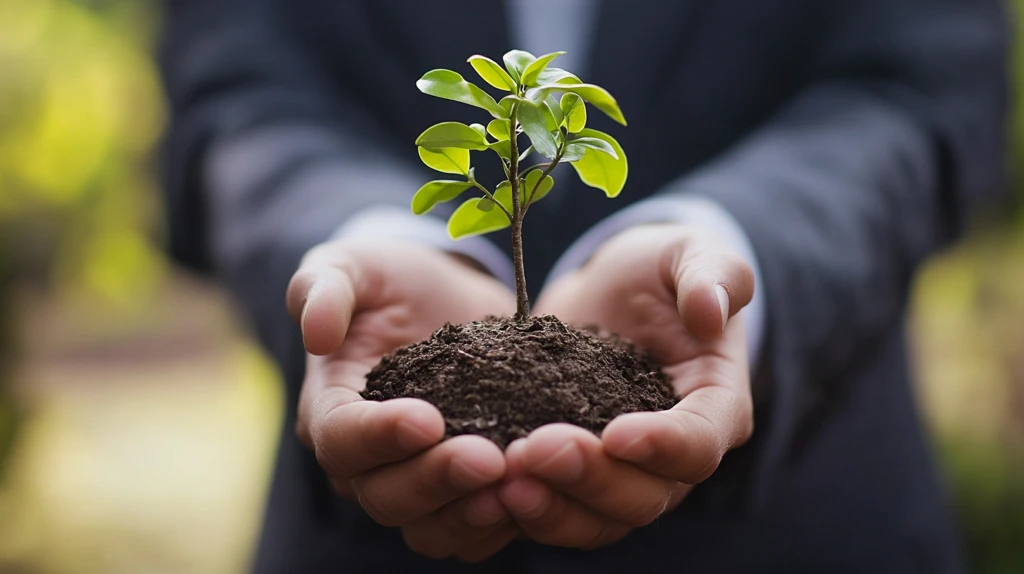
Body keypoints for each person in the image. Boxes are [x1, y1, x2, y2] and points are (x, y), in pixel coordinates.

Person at [160, 0, 1008, 572]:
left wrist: (723, 243)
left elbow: (918, 86)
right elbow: (239, 94)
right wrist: (372, 240)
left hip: (806, 527)